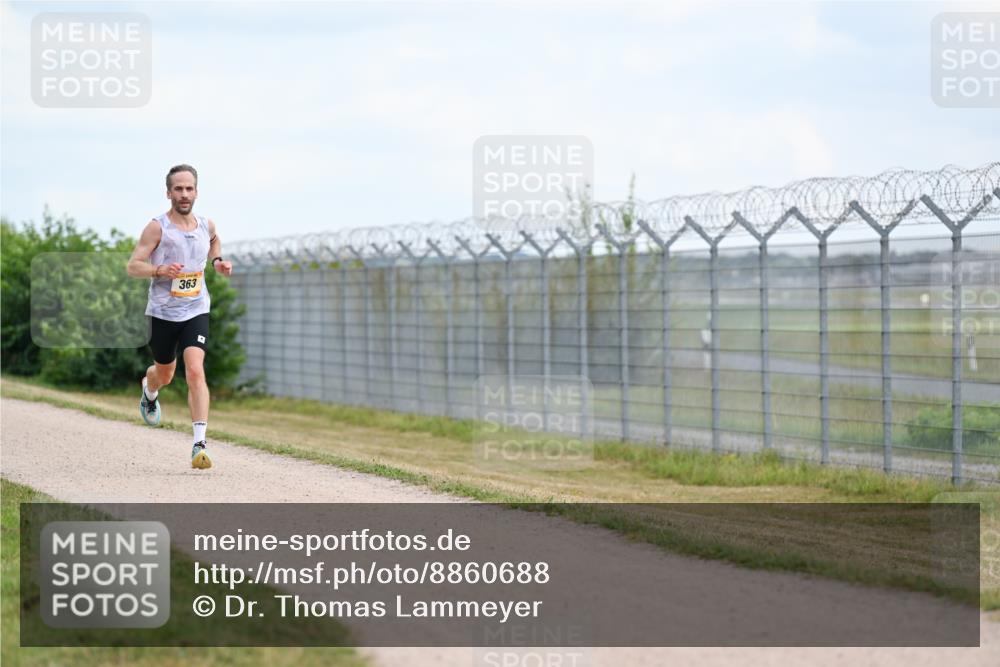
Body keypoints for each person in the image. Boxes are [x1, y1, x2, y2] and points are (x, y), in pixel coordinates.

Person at [127, 164, 233, 469]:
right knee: (165, 374)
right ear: (169, 193)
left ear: (196, 192)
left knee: (196, 369)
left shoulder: (205, 225)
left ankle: (199, 443)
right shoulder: (157, 228)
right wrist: (158, 269)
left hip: (196, 308)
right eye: (178, 189)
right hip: (162, 312)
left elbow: (214, 241)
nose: (184, 194)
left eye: (189, 188)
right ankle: (149, 391)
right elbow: (133, 266)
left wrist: (217, 262)